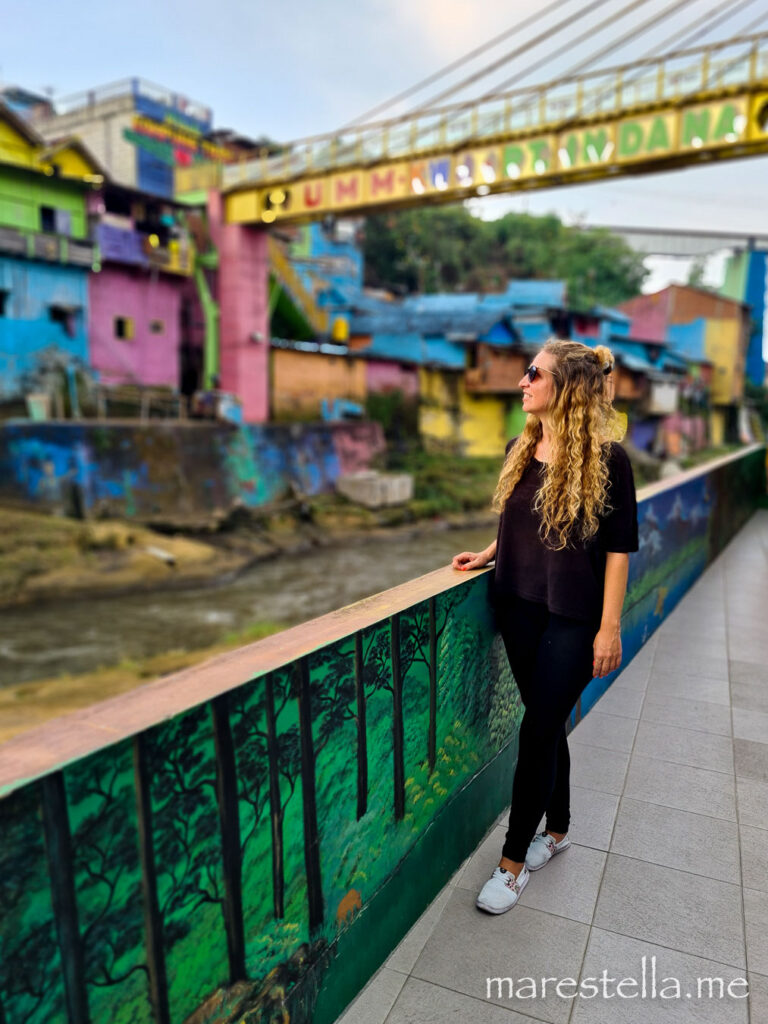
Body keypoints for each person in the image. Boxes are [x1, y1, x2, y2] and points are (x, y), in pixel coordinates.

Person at [452, 340, 638, 915]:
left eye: (533, 373)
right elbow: (520, 520)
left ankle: (510, 868)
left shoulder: (609, 462)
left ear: (568, 388)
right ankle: (556, 830)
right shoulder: (521, 446)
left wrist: (609, 629)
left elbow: (618, 551)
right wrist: (487, 554)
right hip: (518, 605)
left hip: (575, 618)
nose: (521, 382)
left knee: (536, 730)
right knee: (547, 723)